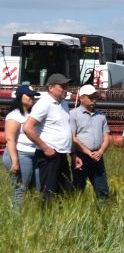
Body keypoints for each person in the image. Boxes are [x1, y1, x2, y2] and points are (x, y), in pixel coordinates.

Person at [22, 73, 74, 207]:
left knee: (66, 191)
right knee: (49, 193)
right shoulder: (44, 104)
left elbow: (65, 130)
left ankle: (60, 221)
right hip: (49, 155)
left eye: (66, 86)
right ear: (50, 88)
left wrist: (72, 153)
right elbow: (28, 127)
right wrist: (44, 147)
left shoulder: (63, 104)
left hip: (61, 154)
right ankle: (47, 222)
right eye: (62, 86)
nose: (65, 89)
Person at [69, 84, 111, 201]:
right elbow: (73, 137)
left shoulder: (101, 116)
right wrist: (88, 152)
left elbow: (107, 136)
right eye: (90, 97)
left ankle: (103, 214)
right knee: (78, 188)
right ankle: (76, 212)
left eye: (95, 97)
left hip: (97, 156)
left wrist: (101, 151)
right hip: (80, 157)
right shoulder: (73, 114)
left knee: (102, 189)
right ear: (82, 98)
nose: (94, 99)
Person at [3, 84, 40, 209]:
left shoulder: (33, 115)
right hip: (20, 154)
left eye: (33, 96)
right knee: (20, 188)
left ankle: (32, 215)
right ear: (20, 96)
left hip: (34, 154)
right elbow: (10, 139)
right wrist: (15, 161)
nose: (32, 98)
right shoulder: (14, 116)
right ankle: (15, 215)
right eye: (29, 95)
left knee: (38, 188)